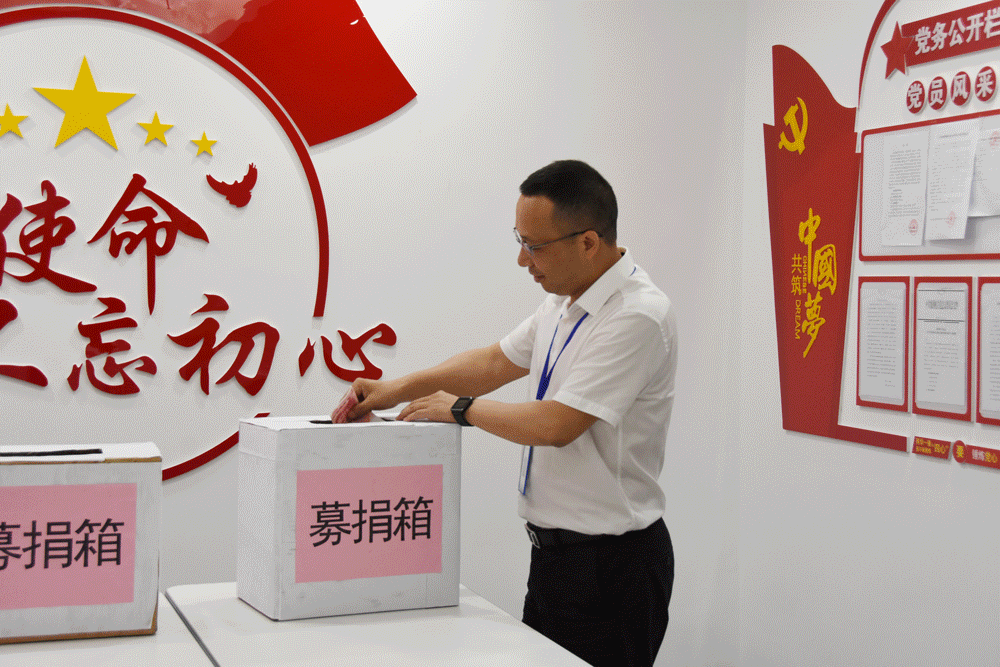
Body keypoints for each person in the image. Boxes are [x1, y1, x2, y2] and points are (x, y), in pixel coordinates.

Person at [342, 159, 676, 667]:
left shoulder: (637, 316)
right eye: (519, 240)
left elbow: (558, 424)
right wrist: (396, 387)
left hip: (612, 568)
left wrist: (461, 410)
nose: (523, 260)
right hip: (555, 560)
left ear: (588, 242)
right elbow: (495, 362)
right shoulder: (565, 301)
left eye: (535, 246)